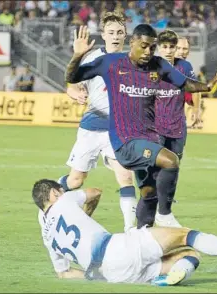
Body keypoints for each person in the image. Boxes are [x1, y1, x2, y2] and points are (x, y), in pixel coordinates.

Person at [65, 24, 217, 229]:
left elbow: (185, 84)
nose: (148, 51)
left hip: (148, 137)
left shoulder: (158, 65)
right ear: (132, 43)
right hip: (125, 141)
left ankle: (139, 234)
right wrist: (77, 55)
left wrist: (207, 86)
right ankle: (165, 215)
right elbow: (72, 77)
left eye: (152, 47)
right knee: (170, 160)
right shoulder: (111, 63)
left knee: (149, 193)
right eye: (144, 46)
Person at [33, 179, 217, 285]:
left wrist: (92, 275)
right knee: (184, 235)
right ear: (54, 193)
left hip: (111, 274)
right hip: (118, 248)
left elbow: (63, 274)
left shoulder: (46, 236)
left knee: (189, 255)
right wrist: (86, 213)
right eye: (60, 191)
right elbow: (94, 192)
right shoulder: (64, 201)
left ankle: (173, 276)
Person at [59, 12, 137, 232]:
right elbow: (71, 85)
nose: (115, 36)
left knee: (125, 176)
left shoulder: (132, 61)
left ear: (125, 36)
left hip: (118, 130)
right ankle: (53, 193)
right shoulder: (92, 58)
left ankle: (131, 231)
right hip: (91, 128)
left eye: (119, 32)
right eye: (111, 32)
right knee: (75, 181)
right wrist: (74, 93)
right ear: (103, 34)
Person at [154, 30, 198, 227]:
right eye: (170, 46)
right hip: (155, 127)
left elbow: (194, 88)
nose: (174, 50)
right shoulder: (150, 66)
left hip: (178, 126)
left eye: (177, 47)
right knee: (155, 166)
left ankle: (165, 207)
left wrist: (196, 109)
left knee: (174, 166)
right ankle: (154, 206)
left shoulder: (185, 67)